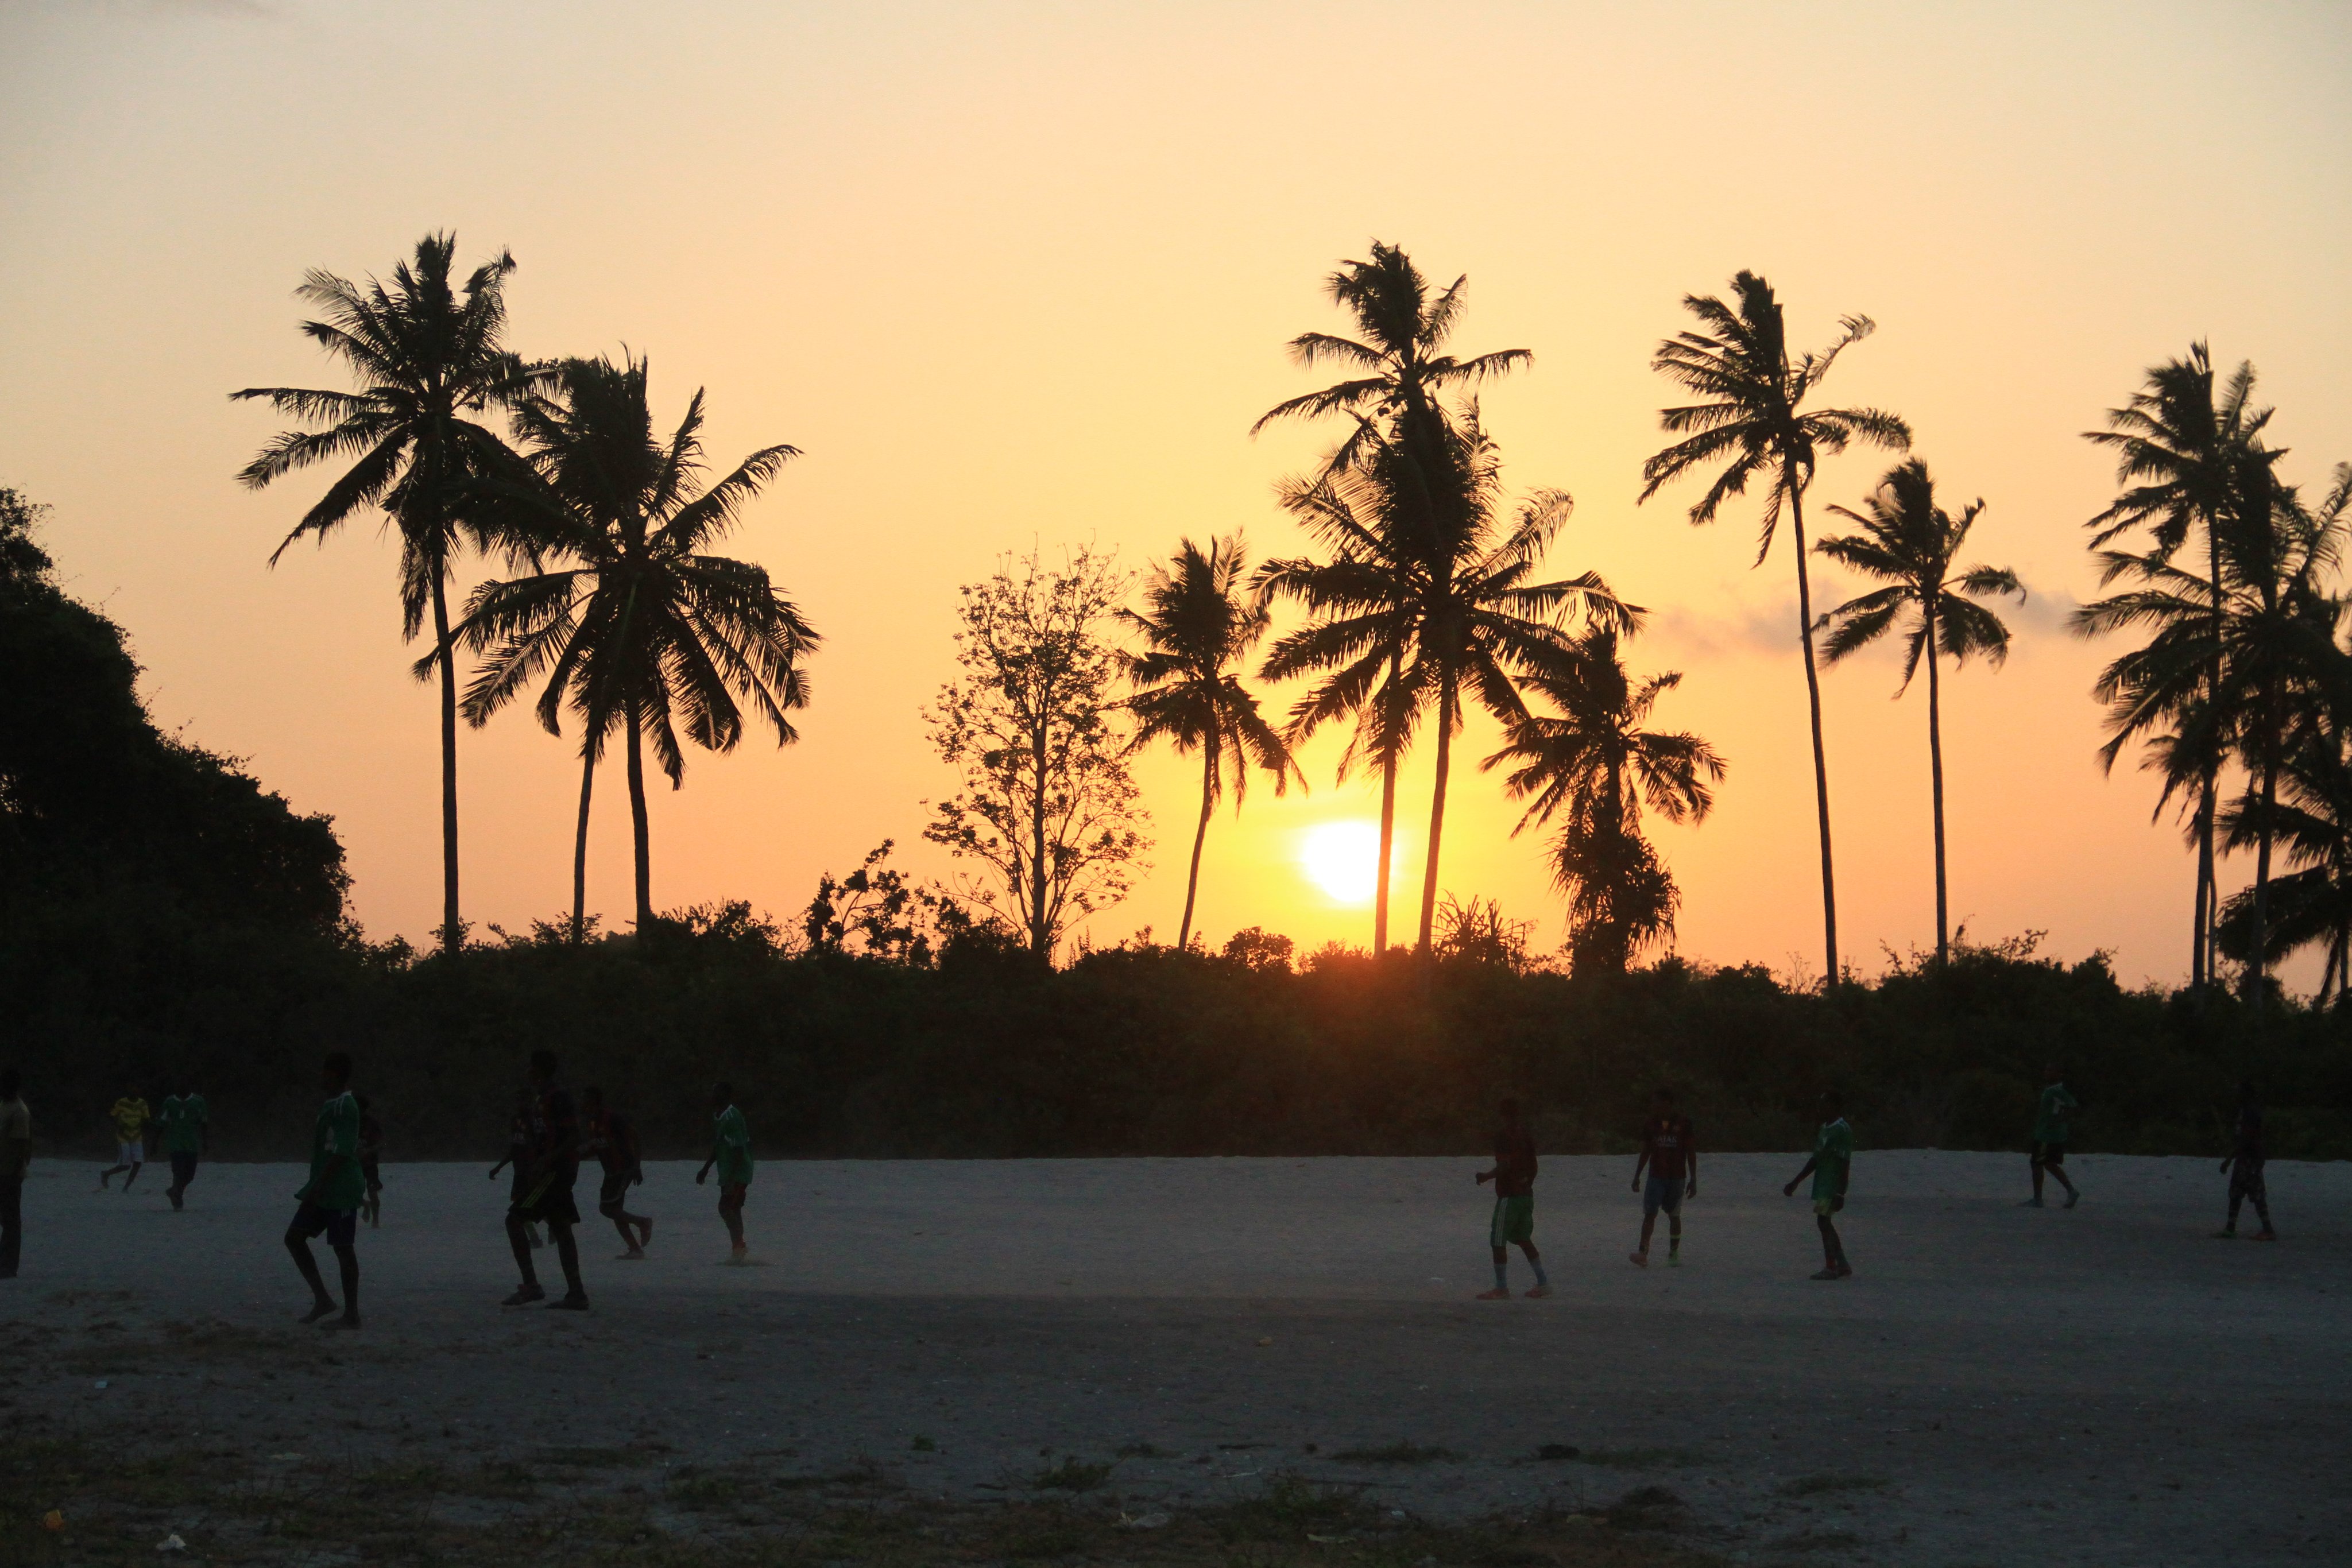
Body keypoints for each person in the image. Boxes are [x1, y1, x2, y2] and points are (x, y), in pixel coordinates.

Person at [285, 1051, 363, 1330]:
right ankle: (323, 1299)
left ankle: (352, 1315)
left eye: (325, 1072)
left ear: (336, 1074)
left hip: (340, 1187)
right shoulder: (331, 1104)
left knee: (343, 1249)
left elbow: (342, 1153)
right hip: (324, 1185)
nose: (321, 1077)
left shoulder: (346, 1106)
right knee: (294, 1238)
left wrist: (317, 1187)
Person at [504, 1050, 587, 1309]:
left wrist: (547, 1160)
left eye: (530, 1067)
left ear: (538, 1070)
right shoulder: (541, 1099)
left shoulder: (557, 1097)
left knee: (515, 1219)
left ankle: (532, 1286)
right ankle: (576, 1294)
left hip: (555, 1173)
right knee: (562, 1228)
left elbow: (574, 1136)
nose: (527, 1072)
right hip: (553, 1171)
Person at [1473, 1097, 1550, 1299]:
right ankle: (1543, 1282)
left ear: (1502, 1114)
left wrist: (1486, 1177)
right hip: (1526, 1195)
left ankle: (1501, 1287)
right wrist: (1527, 1183)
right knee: (1523, 1238)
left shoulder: (1504, 1136)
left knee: (1498, 1240)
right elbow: (1534, 1165)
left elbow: (1504, 1166)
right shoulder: (1525, 1133)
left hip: (1510, 1196)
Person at [1783, 1091, 1854, 1280]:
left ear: (1835, 1106)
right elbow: (1816, 1158)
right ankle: (1842, 1264)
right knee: (1825, 1222)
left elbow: (1845, 1163)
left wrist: (1841, 1192)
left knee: (1823, 1221)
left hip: (1832, 1184)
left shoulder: (1842, 1130)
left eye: (1825, 1104)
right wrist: (1796, 1181)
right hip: (1822, 1183)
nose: (1821, 1108)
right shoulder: (1825, 1128)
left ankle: (1831, 1267)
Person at [1628, 1088, 1698, 1268]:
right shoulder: (1651, 1123)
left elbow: (1690, 1152)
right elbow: (1646, 1150)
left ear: (1666, 1103)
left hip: (1676, 1177)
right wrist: (1637, 1175)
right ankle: (1643, 1252)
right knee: (1650, 1214)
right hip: (1655, 1176)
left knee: (1674, 1215)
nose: (1653, 1106)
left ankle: (1674, 1252)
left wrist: (1693, 1179)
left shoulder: (1683, 1123)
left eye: (1656, 1102)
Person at [582, 1086, 652, 1259]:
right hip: (611, 1171)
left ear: (593, 1100)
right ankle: (635, 1249)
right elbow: (598, 1146)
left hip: (623, 1169)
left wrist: (637, 1166)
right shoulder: (592, 1121)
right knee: (615, 1210)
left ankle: (642, 1222)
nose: (582, 1103)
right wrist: (578, 1156)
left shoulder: (611, 1117)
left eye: (585, 1099)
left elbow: (635, 1137)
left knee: (606, 1208)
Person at [695, 1083, 753, 1263]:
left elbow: (738, 1150)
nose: (712, 1095)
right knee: (733, 1208)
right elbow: (719, 1145)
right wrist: (706, 1168)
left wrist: (731, 1177)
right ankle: (739, 1247)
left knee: (726, 1207)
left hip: (738, 1171)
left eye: (716, 1092)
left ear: (725, 1095)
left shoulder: (732, 1116)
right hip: (727, 1171)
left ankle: (739, 1248)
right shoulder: (718, 1116)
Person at [2215, 1079, 2277, 1241]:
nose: (2236, 1095)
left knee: (2256, 1193)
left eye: (2239, 1092)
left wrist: (2228, 1159)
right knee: (2236, 1191)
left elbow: (2247, 1139)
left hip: (2250, 1158)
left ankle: (2268, 1230)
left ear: (2246, 1094)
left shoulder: (2251, 1112)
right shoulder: (2246, 1110)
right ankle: (2230, 1228)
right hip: (2245, 1157)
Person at [486, 1088, 544, 1250]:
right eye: (518, 1101)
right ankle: (538, 1238)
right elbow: (515, 1148)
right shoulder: (515, 1120)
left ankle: (541, 1236)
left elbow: (539, 1147)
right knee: (522, 1206)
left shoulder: (535, 1122)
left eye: (523, 1101)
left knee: (523, 1207)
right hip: (519, 1170)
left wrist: (537, 1167)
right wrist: (499, 1167)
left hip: (530, 1171)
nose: (520, 1104)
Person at [2026, 1066, 2080, 1209]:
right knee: (2049, 1164)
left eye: (2051, 1071)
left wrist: (2057, 1122)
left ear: (2059, 1073)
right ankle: (2071, 1191)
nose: (2047, 1073)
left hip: (2047, 1135)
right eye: (2046, 1070)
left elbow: (2072, 1106)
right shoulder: (2052, 1090)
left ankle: (2038, 1199)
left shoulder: (2056, 1090)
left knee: (2037, 1163)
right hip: (2048, 1133)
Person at [158, 1086, 209, 1211]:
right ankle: (177, 1199)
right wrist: (155, 1142)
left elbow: (204, 1122)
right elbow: (161, 1122)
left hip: (191, 1143)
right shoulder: (170, 1102)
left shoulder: (199, 1101)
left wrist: (205, 1141)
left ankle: (174, 1191)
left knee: (190, 1175)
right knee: (178, 1171)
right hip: (175, 1142)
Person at [1, 1069, 28, 1280]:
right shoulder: (4, 1106)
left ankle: (9, 1267)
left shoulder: (19, 1112)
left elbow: (22, 1147)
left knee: (10, 1221)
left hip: (8, 1173)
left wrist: (16, 1173)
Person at [99, 1091, 149, 1193]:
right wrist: (119, 1126)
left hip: (137, 1137)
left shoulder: (142, 1104)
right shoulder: (121, 1102)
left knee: (138, 1163)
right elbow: (113, 1115)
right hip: (124, 1137)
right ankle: (106, 1174)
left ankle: (126, 1187)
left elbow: (146, 1118)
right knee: (126, 1165)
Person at [356, 1096, 384, 1229]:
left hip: (370, 1163)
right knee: (353, 1192)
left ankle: (376, 1220)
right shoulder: (350, 1122)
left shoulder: (372, 1123)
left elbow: (379, 1143)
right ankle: (364, 1205)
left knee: (372, 1191)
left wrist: (368, 1150)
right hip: (354, 1164)